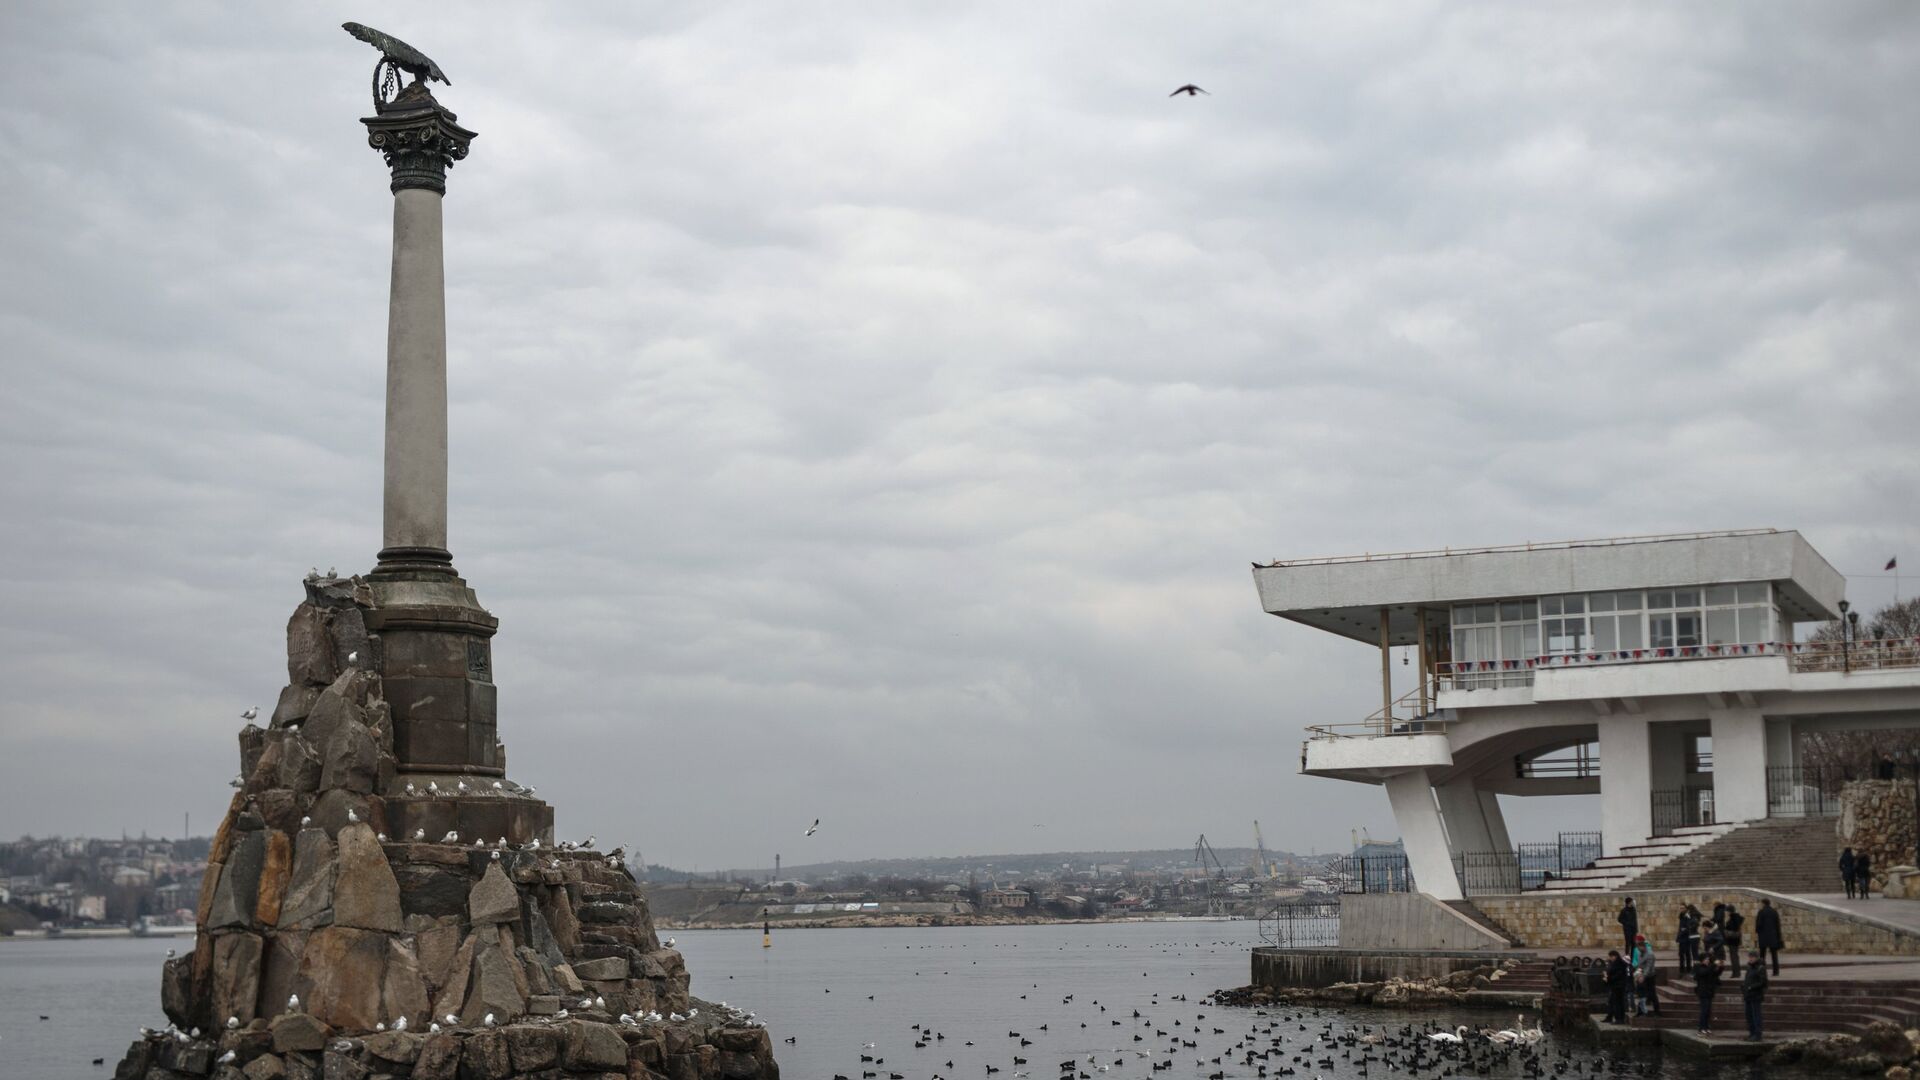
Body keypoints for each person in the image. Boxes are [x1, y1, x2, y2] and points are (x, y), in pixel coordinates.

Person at [1692, 953, 1722, 1035]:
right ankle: (1701, 1028)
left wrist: (1720, 967)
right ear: (1702, 960)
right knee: (1704, 1010)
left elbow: (1716, 974)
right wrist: (1713, 965)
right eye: (1706, 959)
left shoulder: (1709, 967)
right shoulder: (1699, 967)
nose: (1707, 960)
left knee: (1708, 1010)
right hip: (1703, 992)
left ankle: (1706, 1027)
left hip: (1710, 991)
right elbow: (1703, 973)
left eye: (1708, 959)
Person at [1632, 934, 1661, 1016]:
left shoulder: (1650, 955)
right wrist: (1637, 974)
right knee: (1640, 994)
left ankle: (1657, 1012)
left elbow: (1648, 968)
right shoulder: (1640, 953)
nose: (1638, 950)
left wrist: (1643, 976)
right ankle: (1640, 1011)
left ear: (1643, 947)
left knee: (1652, 994)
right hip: (1641, 975)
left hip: (1649, 977)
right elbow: (1640, 965)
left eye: (1639, 948)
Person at [1742, 949, 1768, 1040]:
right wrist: (1744, 987)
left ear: (1756, 958)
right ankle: (1752, 1033)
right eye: (1749, 957)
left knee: (1756, 1015)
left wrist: (1751, 987)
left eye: (1752, 957)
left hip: (1756, 996)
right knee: (1749, 1016)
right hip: (1748, 996)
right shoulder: (1749, 967)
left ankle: (1757, 1035)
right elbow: (1747, 980)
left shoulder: (1761, 968)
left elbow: (1763, 982)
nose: (1750, 958)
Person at [1755, 898, 1783, 975]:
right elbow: (1778, 925)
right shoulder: (1774, 912)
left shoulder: (1761, 912)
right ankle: (1776, 971)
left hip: (1763, 936)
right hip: (1773, 936)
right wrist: (1778, 936)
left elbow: (1759, 924)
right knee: (1774, 954)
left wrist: (1758, 931)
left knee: (1762, 955)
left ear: (1763, 903)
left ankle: (1762, 971)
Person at [1604, 949, 1630, 1024]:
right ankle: (1611, 1017)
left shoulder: (1620, 963)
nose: (1610, 959)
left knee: (1618, 1003)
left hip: (1618, 986)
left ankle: (1619, 1019)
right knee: (1612, 1002)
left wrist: (1608, 978)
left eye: (1611, 957)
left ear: (1614, 956)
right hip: (1614, 986)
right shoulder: (1614, 963)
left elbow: (1618, 975)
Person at [1676, 903, 1700, 973]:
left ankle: (1688, 968)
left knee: (1687, 954)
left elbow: (1689, 926)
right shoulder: (1681, 916)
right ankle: (1681, 969)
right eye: (1680, 908)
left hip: (1687, 937)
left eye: (1683, 908)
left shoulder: (1688, 916)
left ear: (1686, 909)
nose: (1681, 909)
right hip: (1681, 937)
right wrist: (1679, 936)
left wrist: (1684, 930)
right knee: (1681, 954)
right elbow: (1680, 928)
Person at [1722, 903, 1745, 975]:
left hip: (1733, 940)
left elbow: (1732, 929)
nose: (1726, 912)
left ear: (1730, 911)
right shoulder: (1736, 917)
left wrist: (1725, 930)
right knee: (1734, 956)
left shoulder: (1733, 918)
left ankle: (1736, 973)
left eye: (1727, 911)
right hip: (1735, 940)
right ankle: (1736, 972)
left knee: (1734, 956)